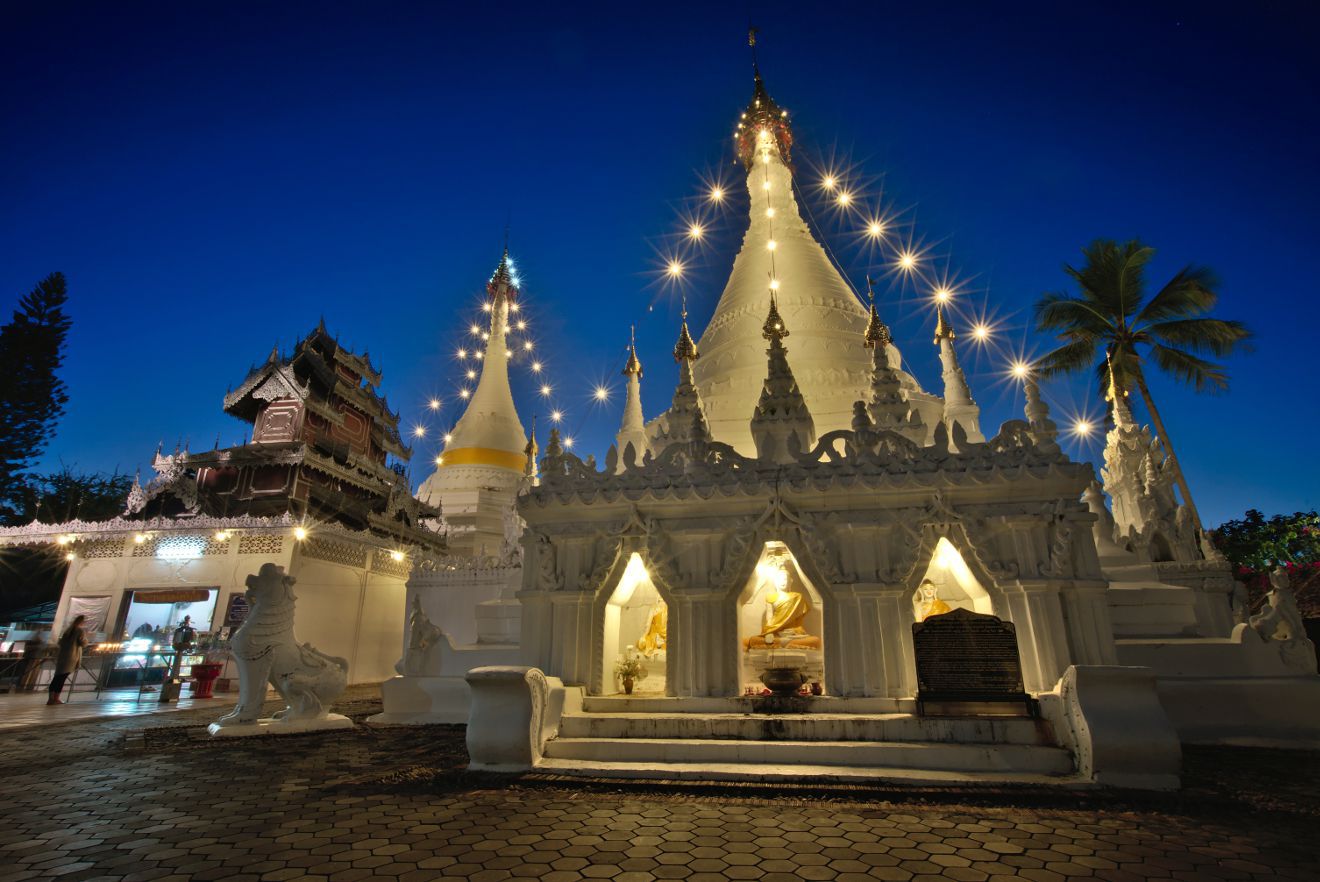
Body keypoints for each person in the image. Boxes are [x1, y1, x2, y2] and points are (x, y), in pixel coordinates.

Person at [48, 616, 88, 705]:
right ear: (82, 622)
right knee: (61, 679)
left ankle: (51, 698)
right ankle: (56, 698)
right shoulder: (79, 631)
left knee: (57, 677)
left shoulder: (68, 630)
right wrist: (86, 639)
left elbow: (60, 642)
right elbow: (83, 643)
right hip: (71, 657)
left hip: (63, 656)